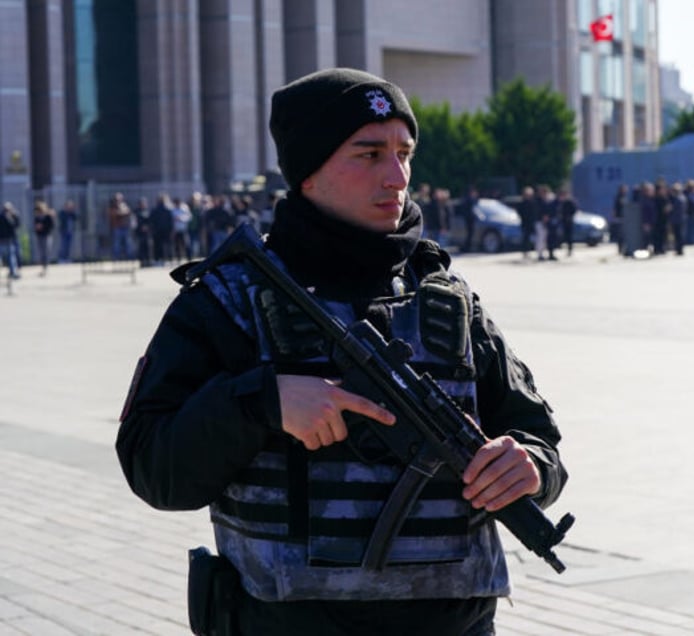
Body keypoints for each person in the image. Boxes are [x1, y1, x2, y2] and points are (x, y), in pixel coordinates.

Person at [116, 67, 566, 636]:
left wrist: (529, 467)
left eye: (405, 152)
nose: (397, 176)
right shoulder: (228, 300)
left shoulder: (448, 300)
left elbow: (535, 436)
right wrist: (261, 404)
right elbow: (152, 468)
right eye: (369, 154)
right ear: (308, 172)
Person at [33, 199, 56, 276]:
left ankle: (45, 267)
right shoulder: (37, 217)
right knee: (41, 252)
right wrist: (37, 228)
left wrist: (43, 226)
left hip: (46, 235)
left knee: (46, 251)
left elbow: (52, 226)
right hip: (39, 235)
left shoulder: (48, 216)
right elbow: (35, 226)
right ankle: (43, 266)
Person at [0, 202, 20, 279]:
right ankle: (12, 272)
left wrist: (11, 217)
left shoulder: (13, 216)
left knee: (11, 257)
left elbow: (16, 225)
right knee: (9, 257)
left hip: (9, 239)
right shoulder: (2, 217)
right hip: (3, 240)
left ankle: (12, 272)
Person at [57, 199, 78, 263]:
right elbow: (61, 218)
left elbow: (76, 217)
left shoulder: (71, 213)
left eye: (71, 206)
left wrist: (72, 211)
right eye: (69, 206)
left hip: (70, 231)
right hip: (64, 231)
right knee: (63, 246)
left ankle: (67, 258)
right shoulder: (62, 212)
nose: (70, 207)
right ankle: (61, 258)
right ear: (65, 206)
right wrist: (67, 212)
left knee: (68, 246)